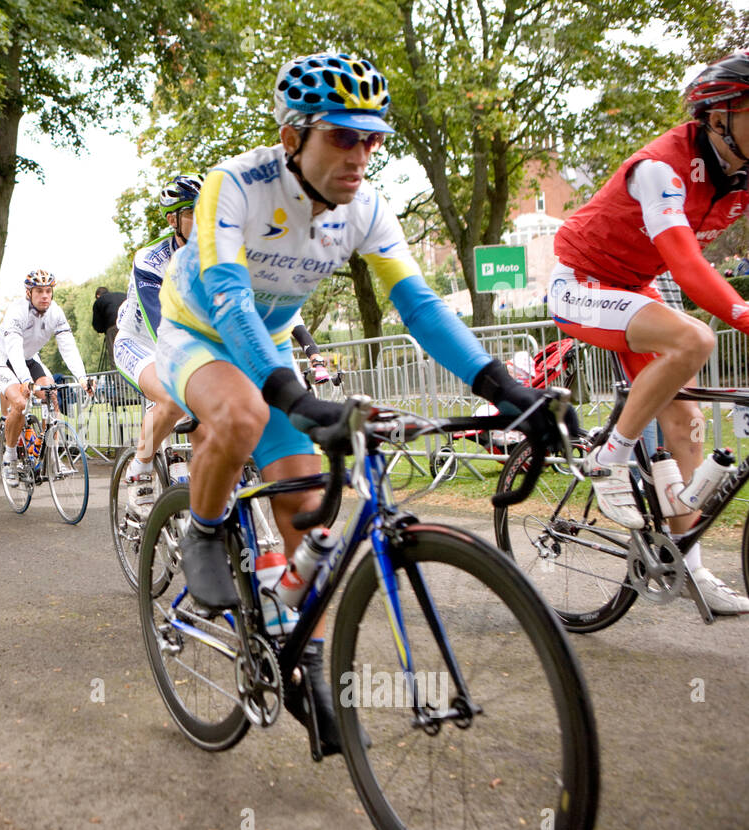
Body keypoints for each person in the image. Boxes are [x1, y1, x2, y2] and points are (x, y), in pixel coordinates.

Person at [155, 52, 559, 756]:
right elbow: (227, 296)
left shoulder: (366, 207)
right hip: (198, 332)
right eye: (343, 136)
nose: (362, 154)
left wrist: (505, 388)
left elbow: (419, 306)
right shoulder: (236, 185)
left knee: (307, 504)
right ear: (293, 137)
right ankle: (203, 526)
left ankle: (304, 657)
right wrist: (294, 397)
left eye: (372, 138)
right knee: (248, 413)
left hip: (268, 340)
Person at [550, 49, 749, 614]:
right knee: (695, 339)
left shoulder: (741, 172)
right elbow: (688, 269)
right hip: (580, 279)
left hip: (635, 283)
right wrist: (744, 315)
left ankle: (690, 567)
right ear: (719, 117)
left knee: (685, 422)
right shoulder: (662, 165)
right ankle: (610, 456)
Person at [112, 174, 203, 517]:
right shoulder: (150, 259)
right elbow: (161, 323)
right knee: (172, 392)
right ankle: (141, 467)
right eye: (196, 212)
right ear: (173, 219)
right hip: (139, 341)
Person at [0, 270, 95, 487]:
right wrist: (26, 380)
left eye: (48, 291)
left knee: (51, 395)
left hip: (29, 359)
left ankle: (52, 457)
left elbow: (68, 347)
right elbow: (14, 350)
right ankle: (9, 458)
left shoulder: (55, 312)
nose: (45, 295)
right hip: (6, 361)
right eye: (39, 291)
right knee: (19, 403)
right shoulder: (17, 312)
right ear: (29, 293)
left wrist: (82, 378)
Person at [92, 285, 126, 369]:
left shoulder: (99, 301)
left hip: (113, 327)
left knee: (115, 356)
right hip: (129, 325)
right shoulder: (122, 295)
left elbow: (97, 324)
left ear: (98, 296)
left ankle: (119, 381)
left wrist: (104, 330)